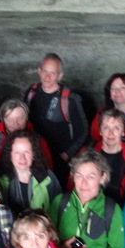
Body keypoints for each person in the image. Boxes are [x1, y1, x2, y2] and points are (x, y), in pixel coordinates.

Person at [25, 53, 88, 185]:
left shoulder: (70, 99)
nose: (47, 76)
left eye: (52, 73)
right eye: (45, 71)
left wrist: (67, 154)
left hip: (59, 161)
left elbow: (83, 131)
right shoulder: (31, 93)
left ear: (60, 76)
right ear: (39, 71)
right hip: (35, 156)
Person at [0, 98, 53, 172]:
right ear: (3, 120)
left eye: (19, 119)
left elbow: (48, 169)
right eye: (9, 120)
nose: (15, 124)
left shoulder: (39, 141)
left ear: (26, 118)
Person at [0, 130, 62, 214]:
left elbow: (59, 209)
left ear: (33, 154)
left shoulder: (47, 178)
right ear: (10, 155)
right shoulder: (1, 180)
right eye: (17, 152)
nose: (22, 158)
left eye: (26, 152)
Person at [92, 109, 125, 205]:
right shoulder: (88, 154)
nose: (111, 133)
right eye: (106, 127)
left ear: (123, 132)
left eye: (116, 128)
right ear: (100, 131)